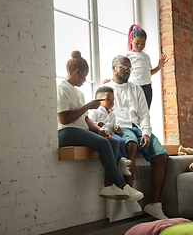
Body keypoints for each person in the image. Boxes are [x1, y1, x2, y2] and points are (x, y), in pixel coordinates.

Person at [57, 50, 143, 202]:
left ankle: (108, 185)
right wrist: (88, 106)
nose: (85, 80)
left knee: (113, 140)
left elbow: (85, 120)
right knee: (104, 143)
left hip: (80, 130)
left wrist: (99, 130)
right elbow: (64, 119)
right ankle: (122, 185)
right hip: (66, 132)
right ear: (77, 72)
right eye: (84, 76)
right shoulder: (62, 89)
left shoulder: (79, 93)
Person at [105, 55, 169, 220]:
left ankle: (153, 204)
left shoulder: (136, 88)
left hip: (138, 127)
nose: (127, 71)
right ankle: (130, 194)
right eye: (123, 67)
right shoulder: (106, 89)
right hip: (119, 127)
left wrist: (146, 133)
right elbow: (103, 116)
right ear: (113, 68)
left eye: (129, 68)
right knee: (131, 145)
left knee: (161, 155)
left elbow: (145, 115)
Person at [103, 24, 168, 109]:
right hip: (134, 87)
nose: (140, 45)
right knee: (134, 111)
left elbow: (149, 73)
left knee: (145, 111)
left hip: (147, 88)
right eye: (137, 43)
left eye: (143, 43)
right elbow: (121, 71)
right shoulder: (128, 55)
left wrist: (159, 67)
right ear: (131, 41)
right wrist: (112, 80)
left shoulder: (146, 56)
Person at [89, 86, 131, 176]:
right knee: (114, 142)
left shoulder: (112, 114)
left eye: (113, 99)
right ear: (99, 101)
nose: (111, 102)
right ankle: (120, 160)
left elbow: (113, 125)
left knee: (121, 141)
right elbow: (90, 123)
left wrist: (116, 127)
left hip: (110, 133)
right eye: (108, 99)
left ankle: (124, 164)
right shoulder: (95, 111)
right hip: (100, 133)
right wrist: (97, 124)